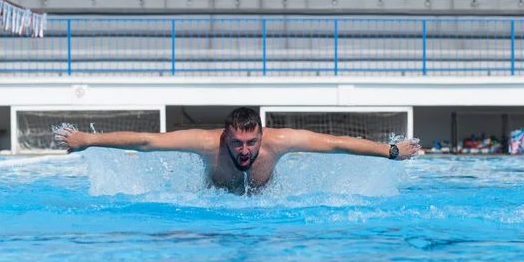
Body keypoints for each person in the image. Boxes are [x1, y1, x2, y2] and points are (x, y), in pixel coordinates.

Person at [54, 107, 420, 195]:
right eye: (236, 143)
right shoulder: (205, 142)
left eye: (251, 142)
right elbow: (148, 141)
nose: (244, 151)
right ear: (225, 137)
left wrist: (390, 151)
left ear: (262, 136)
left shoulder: (279, 141)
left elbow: (337, 145)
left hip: (264, 202)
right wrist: (88, 140)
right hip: (215, 200)